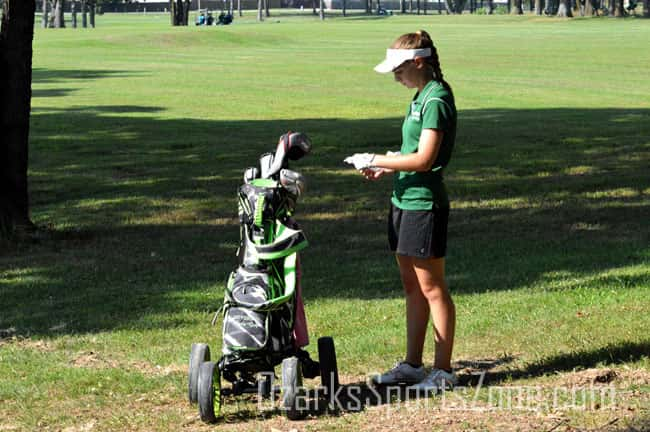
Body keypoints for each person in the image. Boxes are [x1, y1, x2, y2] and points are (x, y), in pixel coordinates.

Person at [344, 30, 458, 393]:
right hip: (403, 201)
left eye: (399, 68)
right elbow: (411, 152)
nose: (395, 75)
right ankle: (412, 364)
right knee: (412, 287)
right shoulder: (418, 97)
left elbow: (426, 159)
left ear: (419, 62)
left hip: (424, 204)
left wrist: (374, 158)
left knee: (432, 288)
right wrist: (387, 165)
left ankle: (442, 371)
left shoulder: (436, 99)